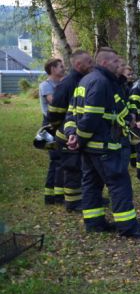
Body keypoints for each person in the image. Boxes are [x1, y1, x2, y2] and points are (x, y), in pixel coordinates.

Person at [65, 49, 140, 238]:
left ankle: (95, 222)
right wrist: (78, 137)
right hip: (104, 146)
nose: (118, 63)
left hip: (90, 148)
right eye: (115, 61)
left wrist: (72, 133)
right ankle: (128, 227)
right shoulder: (101, 82)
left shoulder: (86, 80)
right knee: (119, 184)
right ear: (104, 63)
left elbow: (72, 111)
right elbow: (91, 117)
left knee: (92, 184)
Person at [46, 50, 94, 212]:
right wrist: (65, 129)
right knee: (72, 168)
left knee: (82, 168)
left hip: (79, 133)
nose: (92, 64)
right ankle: (73, 203)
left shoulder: (85, 80)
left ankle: (85, 197)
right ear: (78, 65)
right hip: (67, 134)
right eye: (88, 62)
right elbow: (54, 112)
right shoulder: (68, 83)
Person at [39, 58, 65, 204]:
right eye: (61, 67)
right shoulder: (46, 85)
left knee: (61, 160)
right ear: (53, 69)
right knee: (56, 159)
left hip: (60, 125)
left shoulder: (61, 84)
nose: (63, 69)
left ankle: (57, 194)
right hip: (50, 126)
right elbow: (54, 102)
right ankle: (51, 196)